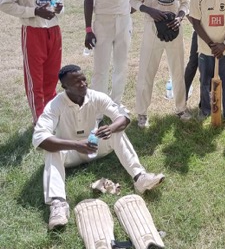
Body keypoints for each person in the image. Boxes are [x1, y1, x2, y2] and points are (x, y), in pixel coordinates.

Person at [32, 65, 165, 230]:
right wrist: (76, 145)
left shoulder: (95, 96)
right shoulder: (55, 104)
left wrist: (111, 127)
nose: (83, 84)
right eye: (76, 82)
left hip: (94, 147)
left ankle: (140, 177)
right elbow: (39, 138)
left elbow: (123, 116)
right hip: (70, 153)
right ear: (65, 87)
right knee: (51, 150)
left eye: (83, 79)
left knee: (117, 133)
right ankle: (58, 204)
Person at [0, 0, 64, 124]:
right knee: (35, 79)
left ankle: (50, 116)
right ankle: (39, 121)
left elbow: (60, 3)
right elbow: (5, 4)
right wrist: (34, 11)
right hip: (33, 31)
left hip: (54, 31)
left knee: (52, 77)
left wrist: (59, 8)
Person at [130, 0, 191, 128]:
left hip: (174, 27)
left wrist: (181, 17)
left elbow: (186, 2)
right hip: (152, 28)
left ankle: (181, 108)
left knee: (178, 70)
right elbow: (133, 0)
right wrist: (150, 10)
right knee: (147, 71)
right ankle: (142, 113)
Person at [82, 0, 138, 109]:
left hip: (124, 22)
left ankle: (116, 104)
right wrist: (88, 29)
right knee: (101, 68)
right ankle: (98, 108)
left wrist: (128, 11)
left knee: (121, 66)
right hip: (102, 22)